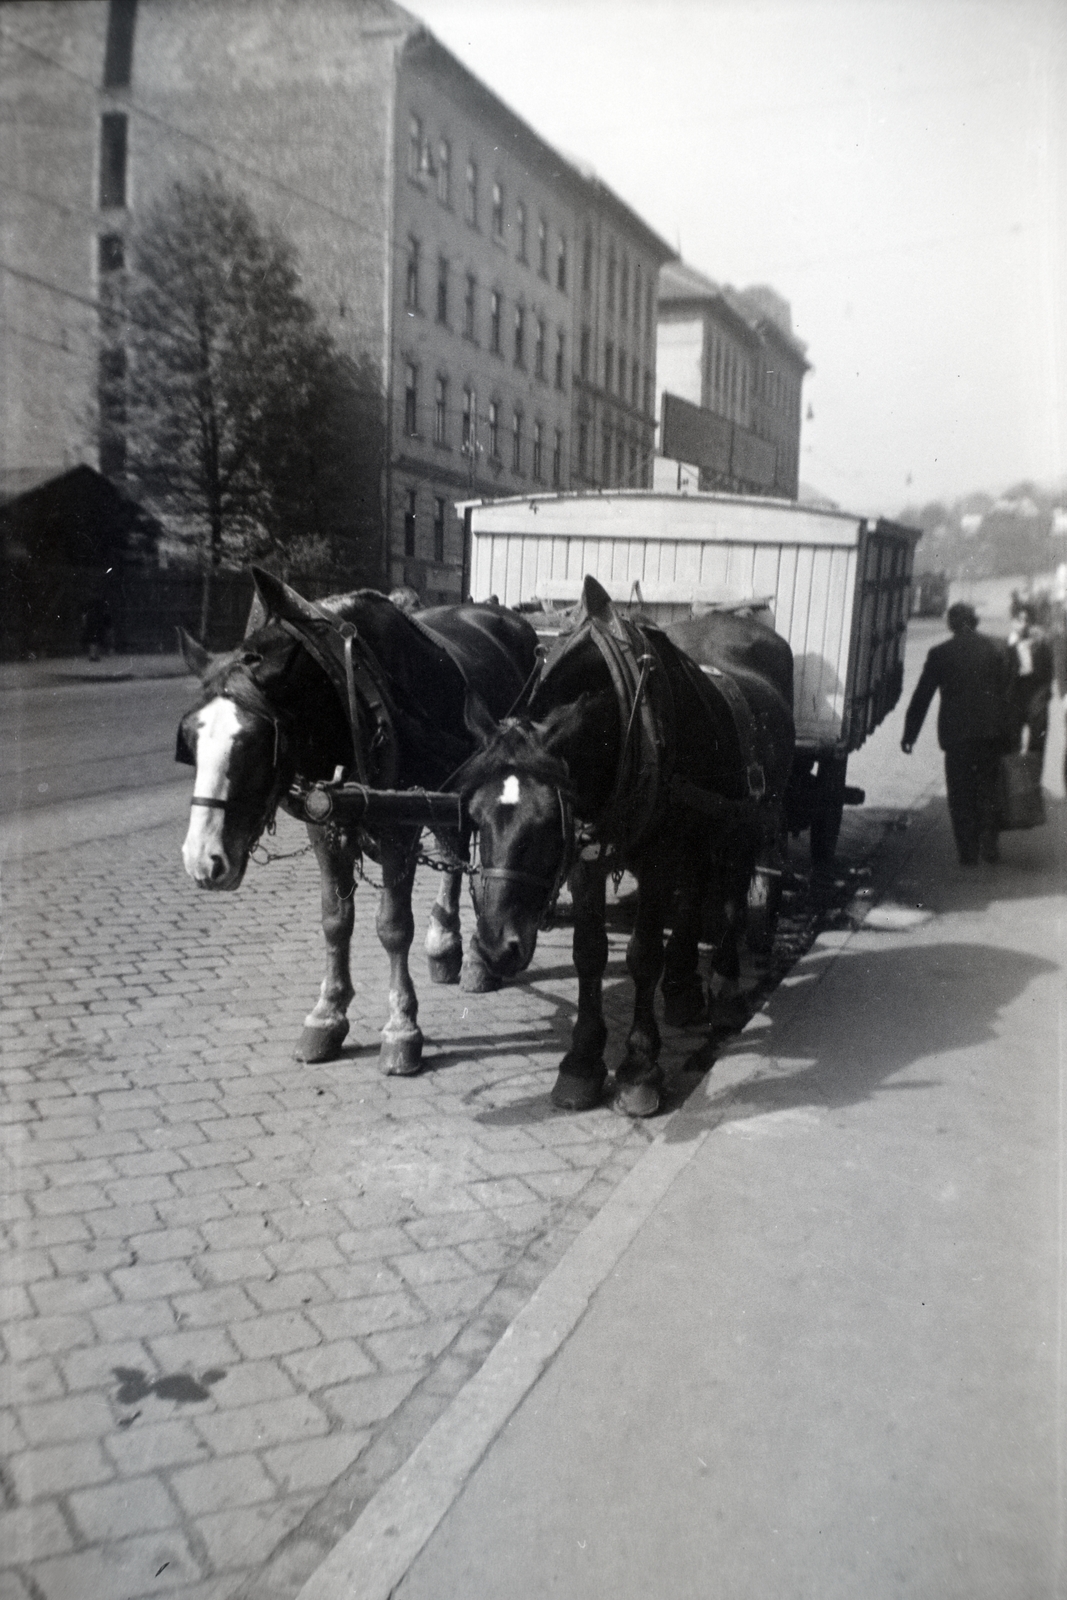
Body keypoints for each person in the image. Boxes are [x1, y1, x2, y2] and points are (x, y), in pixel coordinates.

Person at [901, 601, 1014, 866]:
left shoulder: (940, 653)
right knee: (989, 789)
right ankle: (990, 844)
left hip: (957, 737)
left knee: (960, 793)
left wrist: (910, 734)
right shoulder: (998, 648)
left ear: (951, 623)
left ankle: (967, 851)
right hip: (992, 734)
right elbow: (1010, 696)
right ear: (975, 621)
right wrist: (1011, 734)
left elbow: (922, 697)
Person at [1007, 602, 1053, 770]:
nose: (1024, 624)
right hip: (1014, 700)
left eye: (1028, 620)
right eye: (1020, 620)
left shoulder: (1041, 644)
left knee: (1037, 746)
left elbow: (1048, 676)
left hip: (1036, 700)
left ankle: (1032, 786)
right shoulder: (1005, 644)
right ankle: (1013, 787)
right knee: (1011, 746)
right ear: (1012, 621)